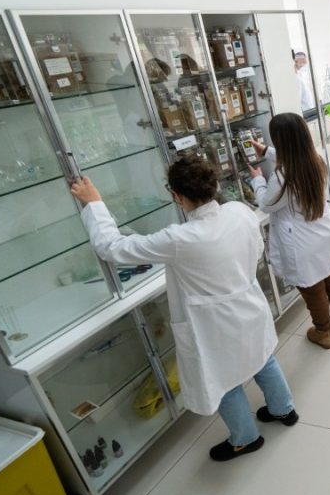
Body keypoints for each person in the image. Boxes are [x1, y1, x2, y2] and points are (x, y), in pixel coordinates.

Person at [70, 157, 297, 462]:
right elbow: (256, 250)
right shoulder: (239, 211)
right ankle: (284, 410)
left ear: (177, 196)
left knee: (224, 381)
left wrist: (95, 204)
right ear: (214, 185)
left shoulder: (180, 239)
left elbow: (112, 248)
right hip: (249, 306)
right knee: (262, 358)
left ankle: (246, 439)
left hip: (216, 325)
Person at [248, 113, 330, 349]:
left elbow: (266, 204)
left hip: (303, 243)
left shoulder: (282, 177)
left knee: (314, 290)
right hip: (323, 234)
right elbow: (293, 157)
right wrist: (266, 152)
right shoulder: (316, 160)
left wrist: (258, 180)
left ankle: (323, 332)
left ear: (281, 142)